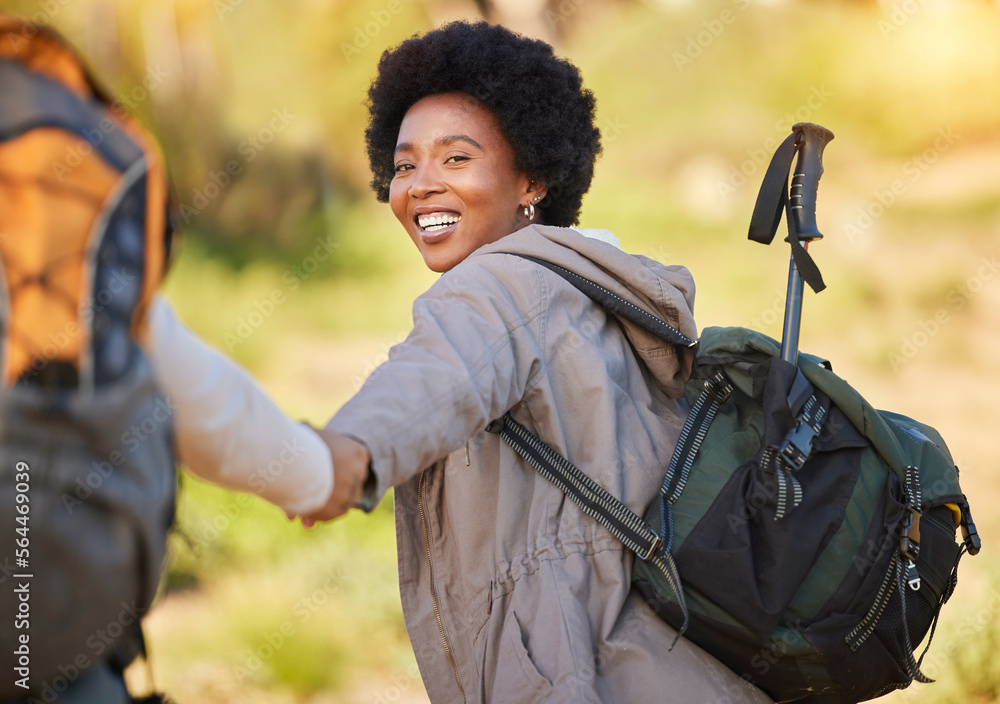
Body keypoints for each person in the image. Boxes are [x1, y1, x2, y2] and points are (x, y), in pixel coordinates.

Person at [305, 21, 772, 703]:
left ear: (533, 177)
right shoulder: (587, 284)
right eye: (405, 165)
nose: (421, 186)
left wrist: (348, 452)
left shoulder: (500, 286)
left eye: (456, 159)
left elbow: (438, 378)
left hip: (581, 669)